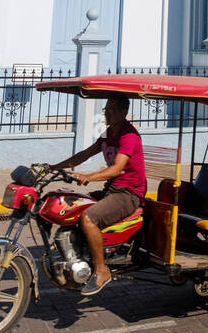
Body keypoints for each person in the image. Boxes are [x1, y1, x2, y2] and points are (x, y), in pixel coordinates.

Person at [49, 93, 147, 295]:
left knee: (88, 218)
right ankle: (79, 255)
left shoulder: (129, 136)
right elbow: (84, 154)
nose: (107, 114)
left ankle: (102, 271)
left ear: (124, 112)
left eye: (112, 110)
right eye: (106, 110)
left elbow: (117, 169)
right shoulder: (109, 133)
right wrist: (53, 167)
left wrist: (89, 177)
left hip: (128, 193)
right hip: (112, 189)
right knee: (73, 206)